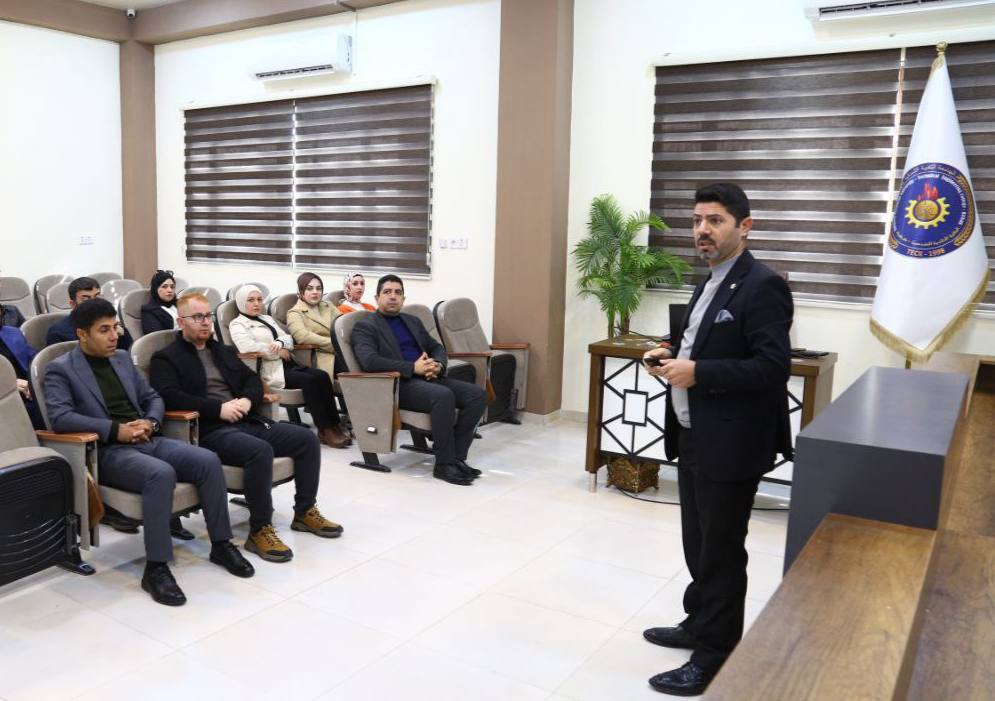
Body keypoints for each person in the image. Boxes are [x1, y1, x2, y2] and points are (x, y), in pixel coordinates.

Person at [640, 183, 793, 696]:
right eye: (697, 220)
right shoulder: (710, 280)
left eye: (715, 221)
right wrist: (668, 352)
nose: (702, 230)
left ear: (744, 227)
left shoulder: (762, 285)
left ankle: (714, 655)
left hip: (731, 443)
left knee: (722, 552)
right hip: (693, 435)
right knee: (698, 543)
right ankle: (698, 622)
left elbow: (772, 367)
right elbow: (701, 341)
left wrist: (699, 372)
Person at [43, 298, 254, 606]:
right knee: (160, 473)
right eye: (104, 330)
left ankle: (221, 544)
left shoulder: (121, 359)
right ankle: (156, 567)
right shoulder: (60, 369)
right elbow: (61, 417)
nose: (114, 336)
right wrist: (115, 429)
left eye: (115, 327)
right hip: (108, 450)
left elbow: (152, 397)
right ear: (82, 334)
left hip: (147, 437)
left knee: (208, 460)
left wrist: (151, 422)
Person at [149, 292, 344, 564]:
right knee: (258, 450)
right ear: (181, 321)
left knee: (306, 439)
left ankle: (304, 511)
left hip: (245, 419)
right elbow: (170, 396)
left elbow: (252, 380)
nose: (205, 322)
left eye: (207, 316)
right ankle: (260, 528)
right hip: (209, 430)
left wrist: (246, 400)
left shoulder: (222, 351)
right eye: (197, 317)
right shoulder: (166, 358)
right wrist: (218, 409)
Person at [352, 274, 487, 486]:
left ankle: (456, 458)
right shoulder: (366, 326)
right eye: (387, 292)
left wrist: (438, 365)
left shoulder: (412, 321)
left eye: (398, 292)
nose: (393, 296)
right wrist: (412, 368)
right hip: (398, 384)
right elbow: (369, 361)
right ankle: (443, 464)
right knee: (443, 396)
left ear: (404, 299)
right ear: (377, 298)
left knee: (477, 395)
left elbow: (436, 347)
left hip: (428, 377)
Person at [228, 284, 350, 449]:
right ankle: (325, 429)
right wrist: (277, 352)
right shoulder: (237, 324)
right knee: (309, 381)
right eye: (251, 300)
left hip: (288, 363)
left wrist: (280, 343)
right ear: (241, 302)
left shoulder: (267, 318)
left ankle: (335, 425)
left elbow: (288, 337)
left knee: (321, 375)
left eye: (259, 299)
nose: (256, 303)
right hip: (268, 370)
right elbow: (247, 348)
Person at [47, 277, 134, 351]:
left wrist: (122, 336)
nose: (94, 303)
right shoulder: (58, 333)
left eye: (97, 297)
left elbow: (128, 355)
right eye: (86, 300)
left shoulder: (112, 324)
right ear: (73, 304)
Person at [286, 272, 341, 379]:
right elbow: (303, 337)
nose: (315, 292)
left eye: (318, 288)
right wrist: (335, 345)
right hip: (321, 356)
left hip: (341, 351)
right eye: (309, 289)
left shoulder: (328, 305)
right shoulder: (294, 313)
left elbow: (342, 325)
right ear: (301, 291)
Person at [0, 322, 45, 428]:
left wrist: (34, 383)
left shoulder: (13, 332)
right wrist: (8, 382)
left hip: (30, 394)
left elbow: (34, 361)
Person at [141, 270, 179, 334]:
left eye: (172, 287)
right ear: (156, 289)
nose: (170, 290)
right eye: (164, 287)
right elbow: (157, 337)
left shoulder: (180, 303)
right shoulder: (149, 311)